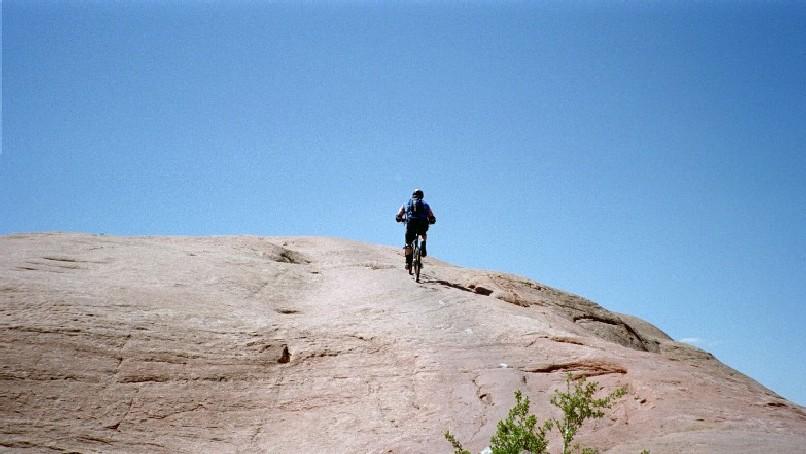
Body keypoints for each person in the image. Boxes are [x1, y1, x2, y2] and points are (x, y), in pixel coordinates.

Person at [395, 188, 436, 270]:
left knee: (408, 243)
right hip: (422, 224)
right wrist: (432, 220)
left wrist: (399, 218)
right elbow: (431, 215)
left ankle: (407, 262)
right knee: (422, 234)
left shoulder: (406, 203)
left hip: (411, 224)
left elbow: (399, 214)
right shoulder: (425, 204)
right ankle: (423, 243)